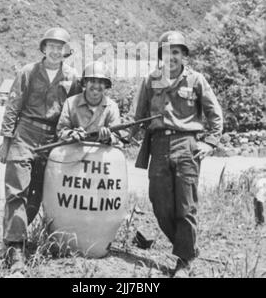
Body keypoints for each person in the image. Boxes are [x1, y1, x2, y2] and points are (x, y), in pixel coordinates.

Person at [130, 30, 223, 277]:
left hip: (187, 146)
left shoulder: (196, 80)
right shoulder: (152, 80)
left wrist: (210, 143)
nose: (171, 57)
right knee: (160, 205)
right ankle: (188, 247)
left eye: (176, 52)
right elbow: (138, 118)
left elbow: (215, 115)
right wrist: (116, 139)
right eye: (167, 52)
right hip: (158, 146)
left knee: (185, 207)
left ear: (183, 55)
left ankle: (183, 260)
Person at [0, 27, 82, 270]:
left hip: (52, 140)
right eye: (51, 46)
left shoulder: (72, 78)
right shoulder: (28, 72)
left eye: (61, 47)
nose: (56, 51)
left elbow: (75, 110)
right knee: (17, 191)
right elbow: (13, 106)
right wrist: (6, 142)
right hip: (24, 134)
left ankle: (14, 240)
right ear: (44, 48)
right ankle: (15, 251)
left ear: (66, 51)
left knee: (36, 194)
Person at [56, 61, 121, 145]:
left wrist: (107, 138)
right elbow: (61, 130)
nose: (96, 86)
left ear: (106, 85)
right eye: (92, 81)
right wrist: (72, 134)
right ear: (85, 83)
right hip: (74, 150)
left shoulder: (112, 107)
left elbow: (117, 136)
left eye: (101, 82)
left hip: (100, 152)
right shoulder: (70, 103)